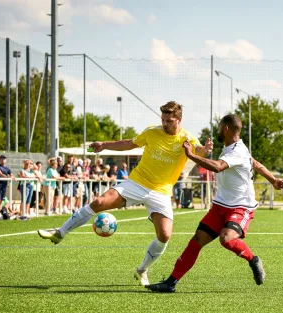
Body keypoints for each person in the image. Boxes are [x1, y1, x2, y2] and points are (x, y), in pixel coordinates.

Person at [38, 101, 213, 287]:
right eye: (163, 119)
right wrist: (104, 145)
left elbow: (198, 150)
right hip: (136, 183)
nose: (164, 123)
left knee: (164, 235)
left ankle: (142, 270)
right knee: (98, 201)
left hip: (161, 192)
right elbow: (129, 143)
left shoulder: (187, 139)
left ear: (179, 119)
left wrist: (205, 151)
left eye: (169, 120)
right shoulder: (152, 132)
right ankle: (60, 232)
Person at [147, 114, 283, 293]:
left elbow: (218, 166)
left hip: (240, 207)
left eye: (220, 127)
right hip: (220, 206)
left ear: (225, 129)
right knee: (197, 240)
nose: (218, 130)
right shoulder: (232, 148)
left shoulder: (236, 150)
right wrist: (273, 180)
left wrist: (190, 155)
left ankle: (253, 260)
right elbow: (256, 164)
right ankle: (171, 282)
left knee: (227, 239)